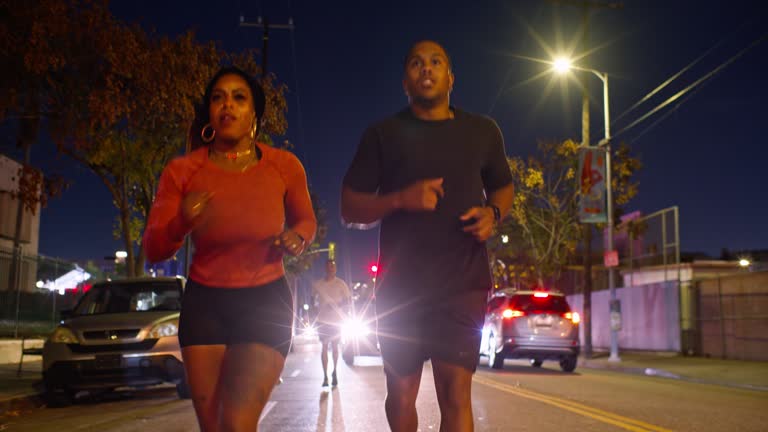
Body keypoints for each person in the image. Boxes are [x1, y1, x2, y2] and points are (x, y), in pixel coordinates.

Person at [340, 40, 514, 432]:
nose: (426, 68)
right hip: (400, 287)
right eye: (416, 63)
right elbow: (350, 207)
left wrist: (494, 213)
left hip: (463, 282)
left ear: (451, 77)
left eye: (436, 62)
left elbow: (503, 185)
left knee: (455, 395)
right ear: (405, 81)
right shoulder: (383, 134)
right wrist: (401, 199)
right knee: (401, 395)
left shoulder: (482, 131)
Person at [143, 66, 317, 432]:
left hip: (265, 302)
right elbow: (154, 249)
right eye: (218, 97)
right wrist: (182, 222)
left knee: (237, 423)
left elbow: (306, 222)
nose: (228, 105)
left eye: (239, 98)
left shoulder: (284, 166)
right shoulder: (182, 171)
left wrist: (296, 238)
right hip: (205, 304)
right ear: (209, 111)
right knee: (214, 426)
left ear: (255, 114)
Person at [312, 259, 352, 387]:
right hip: (322, 321)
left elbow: (348, 300)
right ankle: (325, 376)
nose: (331, 269)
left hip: (336, 321)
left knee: (335, 347)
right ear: (325, 268)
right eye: (329, 266)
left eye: (333, 267)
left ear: (336, 269)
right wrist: (315, 311)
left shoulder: (341, 284)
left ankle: (334, 372)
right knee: (324, 346)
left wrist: (338, 306)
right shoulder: (318, 284)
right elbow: (312, 299)